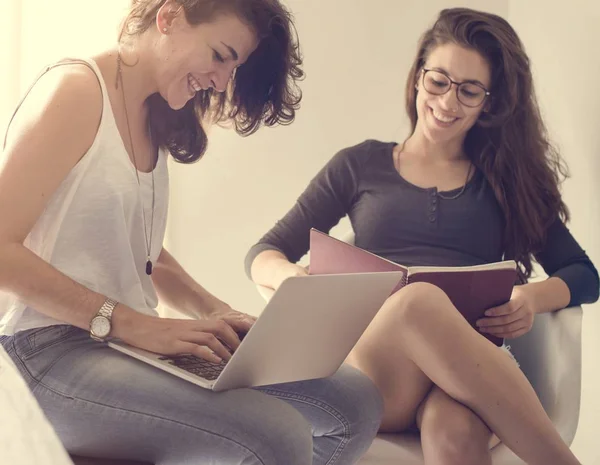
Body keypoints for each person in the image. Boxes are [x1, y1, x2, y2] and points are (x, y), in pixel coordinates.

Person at [0, 1, 385, 464]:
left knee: (355, 403)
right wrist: (135, 324)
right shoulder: (75, 91)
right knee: (276, 434)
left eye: (234, 66)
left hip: (122, 343)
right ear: (170, 17)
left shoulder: (152, 111)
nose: (222, 81)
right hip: (42, 352)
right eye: (220, 55)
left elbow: (144, 253)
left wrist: (218, 311)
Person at [246, 7, 599, 465]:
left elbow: (585, 275)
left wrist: (530, 299)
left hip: (466, 375)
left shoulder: (507, 182)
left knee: (453, 434)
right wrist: (293, 277)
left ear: (488, 103)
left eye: (469, 91)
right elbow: (263, 251)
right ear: (418, 78)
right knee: (419, 302)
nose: (448, 103)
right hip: (376, 372)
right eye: (439, 82)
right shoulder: (360, 166)